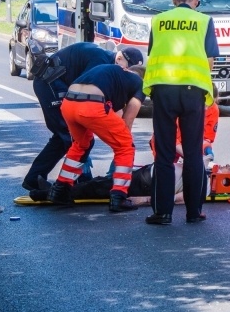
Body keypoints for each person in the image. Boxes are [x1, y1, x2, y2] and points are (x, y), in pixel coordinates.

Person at [23, 43, 144, 199]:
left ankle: (37, 179)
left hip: (64, 89)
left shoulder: (108, 65)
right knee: (70, 137)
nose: (126, 72)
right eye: (127, 68)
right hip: (51, 83)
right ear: (119, 57)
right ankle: (82, 181)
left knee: (67, 138)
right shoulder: (101, 60)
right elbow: (89, 92)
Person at [142, 0, 219, 225]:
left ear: (174, 0)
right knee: (193, 153)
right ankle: (194, 212)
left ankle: (162, 213)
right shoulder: (204, 21)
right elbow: (209, 61)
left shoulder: (158, 21)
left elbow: (153, 53)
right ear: (196, 1)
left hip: (163, 90)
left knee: (164, 153)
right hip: (192, 92)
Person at [47, 63, 146, 213]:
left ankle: (60, 190)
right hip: (92, 104)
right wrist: (123, 148)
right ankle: (119, 196)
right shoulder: (139, 82)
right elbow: (128, 118)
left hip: (69, 103)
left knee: (81, 144)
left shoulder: (115, 74)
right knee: (125, 146)